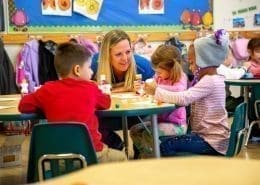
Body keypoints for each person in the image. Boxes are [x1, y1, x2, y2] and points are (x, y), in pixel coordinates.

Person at [18, 42, 126, 162]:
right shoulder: (91, 88)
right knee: (121, 158)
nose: (91, 72)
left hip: (59, 159)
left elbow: (23, 106)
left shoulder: (46, 89)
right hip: (92, 155)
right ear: (77, 70)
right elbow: (106, 103)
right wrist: (103, 91)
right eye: (89, 67)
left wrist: (44, 106)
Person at [154, 29, 230, 156]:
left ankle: (174, 175)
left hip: (211, 142)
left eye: (192, 63)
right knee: (170, 143)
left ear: (204, 61)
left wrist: (156, 91)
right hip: (210, 139)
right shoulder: (213, 79)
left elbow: (184, 98)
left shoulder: (209, 81)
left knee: (167, 145)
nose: (190, 67)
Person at [92, 29, 154, 151]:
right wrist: (125, 88)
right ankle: (116, 145)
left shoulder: (143, 67)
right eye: (118, 54)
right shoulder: (93, 65)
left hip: (137, 115)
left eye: (128, 52)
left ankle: (138, 154)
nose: (125, 58)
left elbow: (155, 95)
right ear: (107, 55)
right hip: (105, 117)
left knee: (145, 128)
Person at [130, 44, 188, 158]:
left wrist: (156, 89)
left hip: (176, 125)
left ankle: (152, 156)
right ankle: (148, 153)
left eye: (160, 72)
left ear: (172, 69)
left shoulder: (181, 77)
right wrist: (143, 86)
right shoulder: (160, 77)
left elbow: (178, 90)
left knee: (148, 133)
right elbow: (153, 85)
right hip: (159, 120)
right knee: (134, 130)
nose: (157, 74)